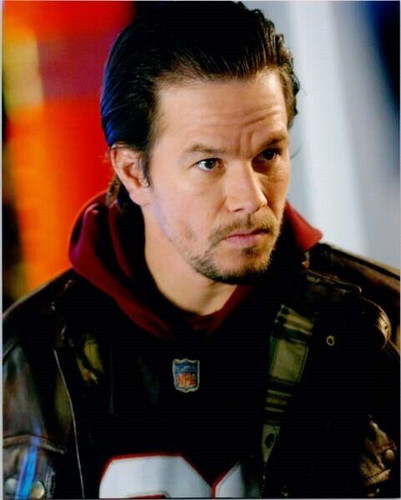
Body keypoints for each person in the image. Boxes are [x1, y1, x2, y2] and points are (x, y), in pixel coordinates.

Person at [3, 2, 399, 498]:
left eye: (268, 154)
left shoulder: (382, 324)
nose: (251, 199)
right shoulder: (26, 361)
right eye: (210, 163)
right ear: (133, 173)